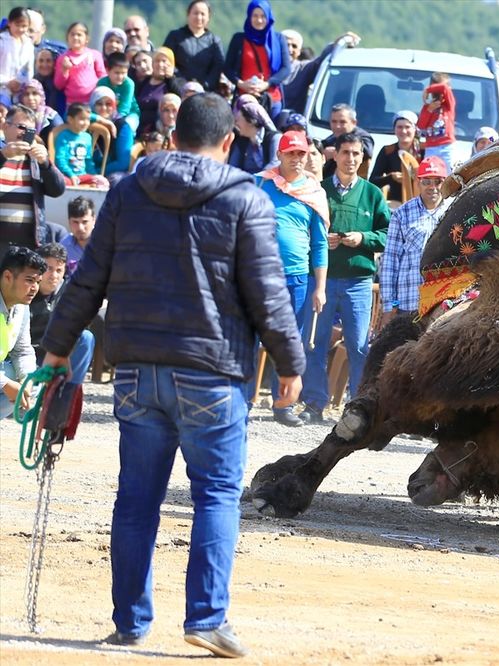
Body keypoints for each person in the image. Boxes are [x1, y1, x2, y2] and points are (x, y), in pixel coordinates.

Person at [40, 92, 305, 657]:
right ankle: (206, 619)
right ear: (228, 141)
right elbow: (267, 292)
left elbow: (87, 281)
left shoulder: (129, 191)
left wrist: (57, 349)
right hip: (213, 374)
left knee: (136, 500)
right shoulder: (243, 197)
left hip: (137, 371)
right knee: (215, 495)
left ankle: (130, 624)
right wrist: (290, 364)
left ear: (173, 135)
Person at [299, 132, 389, 424]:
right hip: (321, 281)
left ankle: (356, 408)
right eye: (346, 153)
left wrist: (362, 237)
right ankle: (314, 403)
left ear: (363, 159)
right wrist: (322, 239)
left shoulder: (373, 194)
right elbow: (303, 230)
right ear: (334, 155)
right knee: (315, 341)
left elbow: (388, 236)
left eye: (356, 154)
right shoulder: (318, 191)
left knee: (359, 345)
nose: (351, 159)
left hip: (358, 282)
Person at [257, 130, 328, 427]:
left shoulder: (314, 193)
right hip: (259, 273)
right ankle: (238, 398)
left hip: (297, 278)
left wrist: (320, 287)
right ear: (280, 155)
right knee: (249, 336)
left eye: (302, 153)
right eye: (291, 153)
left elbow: (319, 244)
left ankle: (283, 405)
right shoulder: (261, 184)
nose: (297, 159)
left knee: (289, 342)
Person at [380, 155, 448, 326]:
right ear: (418, 183)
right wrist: (389, 305)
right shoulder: (401, 213)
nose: (432, 187)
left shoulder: (454, 211)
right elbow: (390, 260)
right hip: (409, 301)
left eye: (437, 181)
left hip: (444, 301)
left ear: (445, 183)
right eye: (427, 182)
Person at [0, 104, 65, 254]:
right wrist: (3, 155)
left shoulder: (36, 159)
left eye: (30, 130)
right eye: (21, 127)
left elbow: (57, 190)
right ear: (5, 126)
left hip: (28, 242)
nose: (25, 134)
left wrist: (46, 164)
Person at [28, 242, 94, 383]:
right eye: (49, 269)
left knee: (86, 337)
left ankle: (68, 389)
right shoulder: (26, 290)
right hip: (29, 356)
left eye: (59, 270)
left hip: (59, 353)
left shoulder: (70, 292)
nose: (54, 275)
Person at [224, 0, 291, 119]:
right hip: (244, 97)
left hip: (271, 99)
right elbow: (227, 68)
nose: (259, 20)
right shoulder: (238, 39)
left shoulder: (278, 39)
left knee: (270, 136)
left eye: (263, 16)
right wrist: (241, 84)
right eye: (255, 16)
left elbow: (286, 68)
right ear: (249, 16)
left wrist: (266, 84)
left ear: (269, 17)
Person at [0, 244, 45, 418]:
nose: (35, 288)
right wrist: (5, 384)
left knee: (32, 384)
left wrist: (26, 380)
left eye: (38, 282)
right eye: (29, 280)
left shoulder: (21, 307)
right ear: (8, 277)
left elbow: (23, 350)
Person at [280, 31, 358, 116]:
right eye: (285, 45)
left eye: (294, 46)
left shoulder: (302, 69)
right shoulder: (265, 66)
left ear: (299, 51)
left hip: (289, 125)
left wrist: (340, 41)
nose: (289, 49)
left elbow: (322, 60)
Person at [163, 1, 225, 92]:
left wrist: (205, 86)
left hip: (206, 91)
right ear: (188, 15)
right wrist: (182, 84)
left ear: (208, 17)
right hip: (177, 88)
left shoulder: (214, 41)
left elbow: (218, 67)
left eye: (203, 14)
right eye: (195, 13)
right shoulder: (175, 36)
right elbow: (167, 60)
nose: (199, 17)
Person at [369, 110, 422, 206]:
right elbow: (372, 181)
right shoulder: (388, 151)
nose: (404, 131)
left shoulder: (423, 150)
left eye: (407, 127)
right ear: (394, 130)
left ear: (415, 129)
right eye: (400, 127)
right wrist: (390, 177)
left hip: (421, 201)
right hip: (395, 202)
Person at [53, 102, 107, 187]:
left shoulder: (87, 137)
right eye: (82, 119)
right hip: (67, 176)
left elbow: (88, 160)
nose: (86, 123)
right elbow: (60, 159)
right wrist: (71, 175)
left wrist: (94, 175)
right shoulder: (63, 136)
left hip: (82, 175)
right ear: (70, 119)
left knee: (102, 182)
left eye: (88, 119)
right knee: (62, 182)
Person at [53, 23, 106, 109]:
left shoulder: (94, 55)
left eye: (79, 35)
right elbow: (58, 85)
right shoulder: (63, 58)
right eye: (72, 34)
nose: (75, 37)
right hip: (72, 104)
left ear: (87, 39)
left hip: (93, 102)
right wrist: (65, 70)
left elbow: (103, 77)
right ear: (67, 38)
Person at [135, 47, 185, 133]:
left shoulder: (177, 82)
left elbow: (180, 97)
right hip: (141, 128)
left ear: (171, 64)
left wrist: (170, 79)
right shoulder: (144, 82)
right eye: (157, 61)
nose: (160, 64)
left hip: (161, 131)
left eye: (164, 61)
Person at [416, 72, 456, 173]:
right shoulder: (427, 107)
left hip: (447, 146)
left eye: (438, 89)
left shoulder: (449, 105)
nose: (440, 93)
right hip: (431, 147)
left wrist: (427, 90)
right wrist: (429, 110)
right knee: (429, 173)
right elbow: (421, 126)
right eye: (436, 91)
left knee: (449, 174)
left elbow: (444, 88)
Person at [320, 103, 373, 179]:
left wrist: (336, 152)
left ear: (354, 122)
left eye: (342, 122)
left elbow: (367, 152)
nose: (337, 126)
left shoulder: (363, 137)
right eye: (334, 122)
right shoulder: (330, 140)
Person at [228, 94, 278, 174]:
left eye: (238, 120)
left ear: (250, 121)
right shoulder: (241, 143)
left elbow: (275, 164)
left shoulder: (274, 138)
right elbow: (233, 167)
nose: (236, 124)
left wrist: (256, 179)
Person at [90, 86, 134, 175]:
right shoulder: (85, 121)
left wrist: (96, 173)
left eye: (108, 104)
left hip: (111, 173)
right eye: (99, 103)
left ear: (114, 106)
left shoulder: (122, 126)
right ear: (92, 105)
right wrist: (99, 119)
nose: (104, 108)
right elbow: (69, 115)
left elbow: (123, 163)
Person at [96, 52, 139, 132]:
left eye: (123, 73)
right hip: (107, 113)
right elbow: (98, 101)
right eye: (117, 73)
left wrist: (114, 121)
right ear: (108, 71)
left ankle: (126, 144)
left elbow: (125, 107)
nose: (120, 76)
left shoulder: (128, 84)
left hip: (129, 113)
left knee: (126, 125)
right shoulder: (102, 83)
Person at [0, 7, 34, 108]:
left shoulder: (28, 44)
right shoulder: (2, 42)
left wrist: (21, 83)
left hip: (20, 93)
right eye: (17, 25)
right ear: (10, 23)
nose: (20, 29)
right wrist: (7, 82)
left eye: (24, 26)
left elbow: (29, 70)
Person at [16, 79, 62, 144]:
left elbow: (61, 142)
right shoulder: (16, 116)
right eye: (26, 94)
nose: (30, 98)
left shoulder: (51, 117)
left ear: (41, 96)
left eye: (35, 93)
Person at [59, 195, 95, 274]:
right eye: (75, 222)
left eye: (85, 222)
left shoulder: (107, 243)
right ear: (69, 222)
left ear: (94, 220)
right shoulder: (64, 246)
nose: (80, 228)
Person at [32, 47, 60, 115]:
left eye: (48, 61)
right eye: (41, 61)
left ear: (54, 63)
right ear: (36, 64)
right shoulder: (31, 84)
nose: (44, 64)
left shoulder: (60, 83)